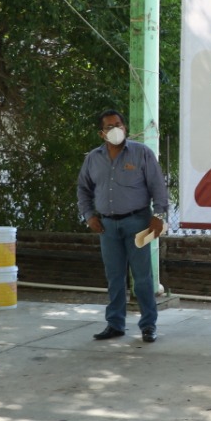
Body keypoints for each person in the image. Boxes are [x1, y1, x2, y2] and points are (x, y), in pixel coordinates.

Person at [76, 109, 168, 342]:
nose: (115, 129)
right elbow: (83, 189)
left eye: (118, 124)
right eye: (109, 126)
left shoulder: (141, 154)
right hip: (107, 226)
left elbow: (158, 186)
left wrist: (158, 215)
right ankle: (115, 323)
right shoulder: (93, 159)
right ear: (101, 133)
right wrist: (88, 216)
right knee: (114, 277)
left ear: (125, 128)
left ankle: (148, 325)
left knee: (143, 277)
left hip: (138, 223)